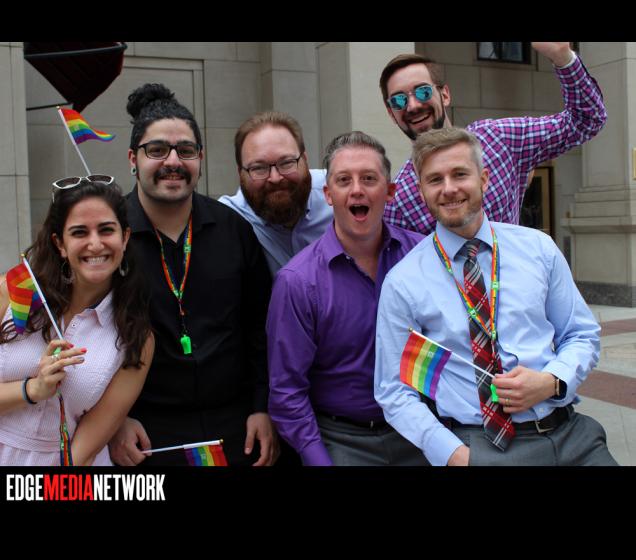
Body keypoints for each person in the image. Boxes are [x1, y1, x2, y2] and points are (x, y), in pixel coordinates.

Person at [374, 127, 618, 466]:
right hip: (483, 446)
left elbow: (581, 334)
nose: (449, 188)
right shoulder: (403, 282)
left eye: (460, 174)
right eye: (435, 179)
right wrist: (455, 455)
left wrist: (551, 381)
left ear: (484, 179)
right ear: (421, 191)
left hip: (572, 437)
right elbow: (394, 390)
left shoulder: (538, 249)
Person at [108, 83, 278, 467]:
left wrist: (262, 406)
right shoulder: (110, 236)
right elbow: (86, 334)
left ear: (200, 157)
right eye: (157, 150)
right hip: (144, 433)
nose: (173, 161)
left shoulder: (234, 230)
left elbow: (261, 328)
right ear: (133, 158)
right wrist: (113, 420)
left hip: (237, 427)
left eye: (185, 150)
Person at [267, 131, 429, 466]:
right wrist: (319, 461)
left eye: (369, 178)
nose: (357, 189)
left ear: (390, 191)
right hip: (342, 440)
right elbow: (287, 392)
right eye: (344, 180)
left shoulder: (424, 257)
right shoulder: (297, 282)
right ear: (328, 194)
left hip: (421, 428)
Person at [0, 178, 154, 465]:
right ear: (60, 243)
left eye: (106, 230)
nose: (95, 244)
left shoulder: (136, 335)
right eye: (79, 232)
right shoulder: (13, 292)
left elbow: (83, 452)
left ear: (124, 237)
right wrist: (32, 389)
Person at [379, 42, 607, 235]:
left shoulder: (500, 139)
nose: (413, 106)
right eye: (398, 100)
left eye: (423, 92)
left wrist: (563, 57)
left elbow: (587, 120)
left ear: (445, 94)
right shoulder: (399, 201)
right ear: (391, 114)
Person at [219, 111, 332, 277]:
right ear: (240, 173)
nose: (275, 178)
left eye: (286, 163)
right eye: (258, 168)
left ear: (305, 159)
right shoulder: (227, 220)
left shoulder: (339, 193)